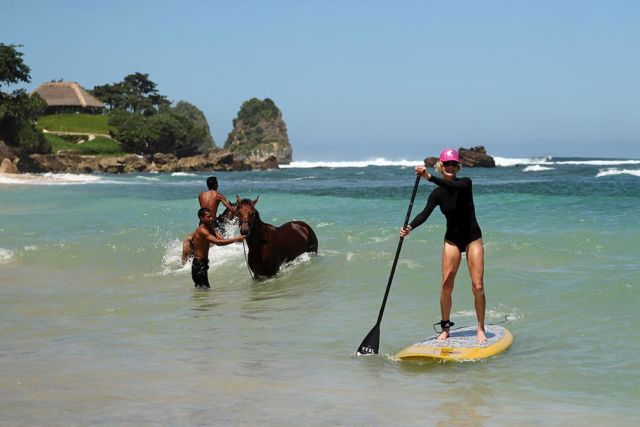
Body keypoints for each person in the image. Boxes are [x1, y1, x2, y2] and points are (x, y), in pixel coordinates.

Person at [399, 148, 487, 342]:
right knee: (446, 285)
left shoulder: (465, 184)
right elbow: (424, 214)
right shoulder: (437, 194)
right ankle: (445, 328)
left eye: (453, 164)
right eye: (446, 164)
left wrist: (429, 177)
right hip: (452, 241)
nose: (450, 167)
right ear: (441, 165)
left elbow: (453, 188)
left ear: (458, 166)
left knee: (477, 286)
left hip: (473, 238)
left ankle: (480, 327)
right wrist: (410, 227)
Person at [182, 176, 236, 264]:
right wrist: (239, 214)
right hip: (211, 223)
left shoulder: (201, 195)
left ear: (207, 185)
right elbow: (230, 208)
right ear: (216, 185)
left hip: (201, 222)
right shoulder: (218, 195)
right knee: (222, 238)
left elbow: (205, 210)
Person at [189, 207, 244, 289]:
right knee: (204, 290)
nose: (211, 219)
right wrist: (236, 239)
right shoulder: (202, 230)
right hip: (198, 264)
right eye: (208, 217)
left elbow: (221, 240)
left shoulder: (209, 228)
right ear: (201, 218)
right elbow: (218, 243)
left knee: (202, 292)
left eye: (212, 216)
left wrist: (238, 240)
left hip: (202, 263)